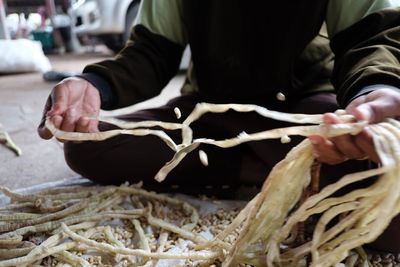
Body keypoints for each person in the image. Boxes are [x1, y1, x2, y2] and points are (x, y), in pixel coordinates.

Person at [38, 1, 400, 252]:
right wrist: (93, 85)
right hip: (207, 111)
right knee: (87, 143)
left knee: (388, 208)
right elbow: (151, 52)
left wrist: (378, 88)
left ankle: (272, 165)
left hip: (300, 110)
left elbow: (371, 37)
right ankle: (267, 169)